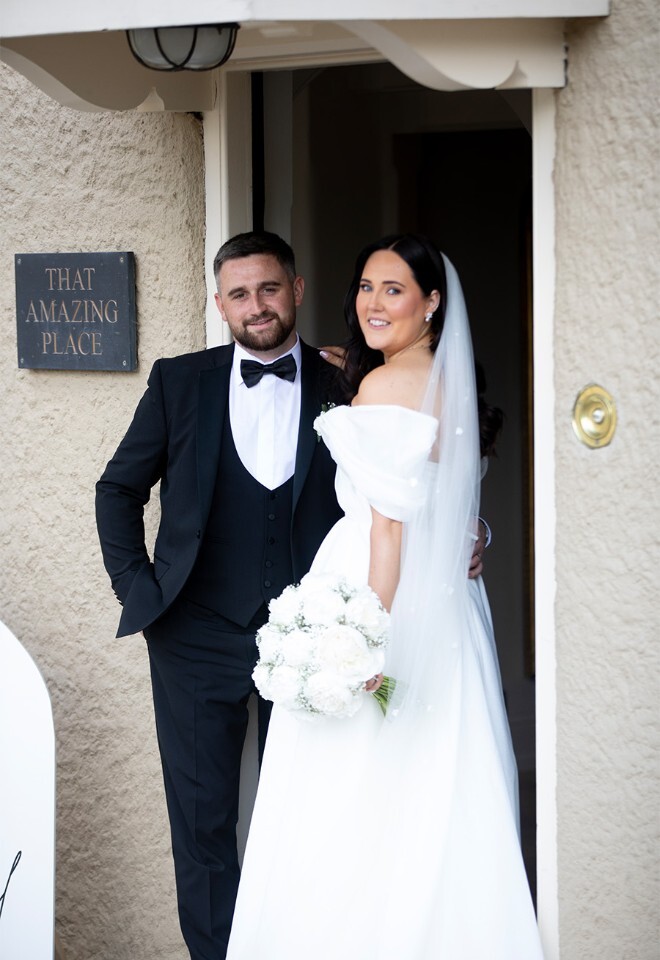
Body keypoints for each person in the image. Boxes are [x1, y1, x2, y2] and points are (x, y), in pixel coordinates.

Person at [95, 231, 487, 960]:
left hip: (317, 637)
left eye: (270, 288)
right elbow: (117, 489)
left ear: (297, 291)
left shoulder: (349, 377)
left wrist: (472, 530)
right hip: (195, 636)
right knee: (203, 827)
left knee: (316, 818)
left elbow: (419, 473)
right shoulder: (180, 382)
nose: (257, 306)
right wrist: (142, 593)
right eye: (239, 294)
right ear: (219, 304)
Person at [226, 235, 544, 959]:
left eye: (394, 289)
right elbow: (449, 502)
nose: (373, 302)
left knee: (352, 797)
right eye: (366, 286)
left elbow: (389, 535)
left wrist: (359, 638)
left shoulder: (385, 388)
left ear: (432, 302)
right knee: (432, 788)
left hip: (381, 594)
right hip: (447, 611)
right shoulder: (443, 381)